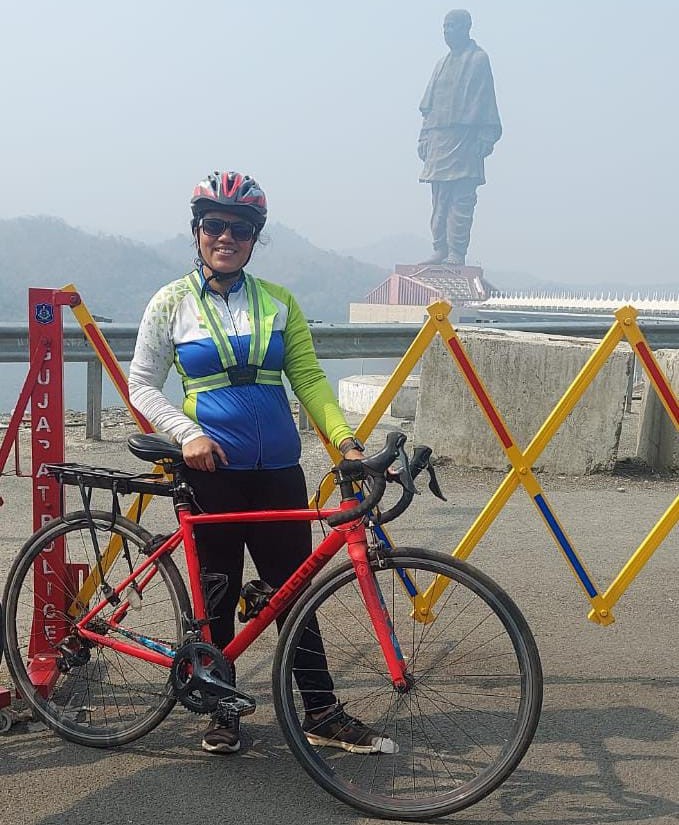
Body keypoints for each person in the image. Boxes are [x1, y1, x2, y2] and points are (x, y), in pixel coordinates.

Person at [129, 170, 396, 756]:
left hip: (277, 472)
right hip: (210, 475)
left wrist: (347, 443)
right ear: (197, 231)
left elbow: (310, 380)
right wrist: (187, 434)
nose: (226, 237)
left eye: (241, 229)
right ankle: (220, 708)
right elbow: (142, 384)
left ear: (255, 238)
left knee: (293, 592)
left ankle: (321, 710)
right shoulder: (170, 301)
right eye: (214, 225)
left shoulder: (279, 301)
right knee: (217, 594)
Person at [418, 9, 502, 265]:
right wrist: (424, 136)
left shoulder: (478, 59)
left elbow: (486, 100)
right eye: (444, 27)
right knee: (439, 199)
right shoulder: (441, 64)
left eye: (452, 26)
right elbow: (429, 107)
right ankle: (440, 247)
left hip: (465, 138)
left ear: (466, 28)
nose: (446, 31)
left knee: (462, 198)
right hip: (439, 139)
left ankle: (456, 251)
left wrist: (486, 137)